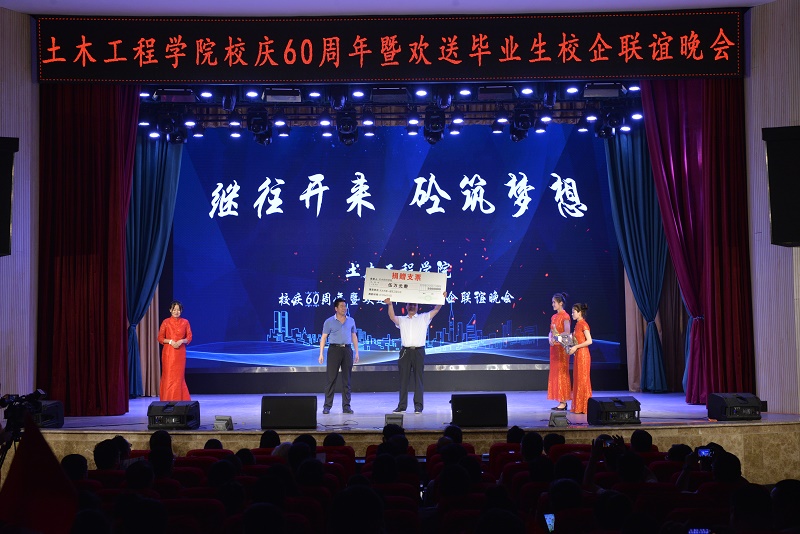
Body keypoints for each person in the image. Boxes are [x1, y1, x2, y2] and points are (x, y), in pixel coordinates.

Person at [383, 293, 445, 414]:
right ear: (406, 306)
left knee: (418, 380)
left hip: (419, 351)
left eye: (414, 305)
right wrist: (390, 304)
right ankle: (402, 406)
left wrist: (441, 298)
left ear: (418, 306)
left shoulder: (424, 317)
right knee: (403, 380)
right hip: (405, 352)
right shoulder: (402, 319)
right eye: (410, 304)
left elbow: (436, 309)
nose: (412, 307)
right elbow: (392, 317)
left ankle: (418, 406)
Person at [318, 298, 359, 415]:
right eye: (341, 306)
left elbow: (354, 336)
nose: (344, 308)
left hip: (347, 350)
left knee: (347, 380)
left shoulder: (351, 320)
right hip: (334, 350)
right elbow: (323, 337)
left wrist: (357, 352)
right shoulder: (329, 321)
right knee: (331, 379)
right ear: (336, 308)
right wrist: (321, 354)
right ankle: (327, 406)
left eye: (345, 306)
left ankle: (346, 406)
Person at [157, 300, 192, 401]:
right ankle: (167, 400)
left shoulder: (185, 322)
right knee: (168, 377)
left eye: (178, 310)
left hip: (180, 353)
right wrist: (171, 341)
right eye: (174, 309)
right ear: (170, 310)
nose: (176, 312)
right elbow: (160, 338)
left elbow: (189, 337)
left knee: (179, 377)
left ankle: (180, 400)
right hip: (168, 353)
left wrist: (182, 341)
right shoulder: (166, 322)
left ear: (181, 311)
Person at [547, 292, 571, 411]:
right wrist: (550, 338)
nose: (553, 304)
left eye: (554, 302)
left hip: (562, 348)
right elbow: (551, 331)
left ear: (561, 303)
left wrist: (556, 338)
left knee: (562, 373)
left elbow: (567, 332)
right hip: (554, 349)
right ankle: (560, 400)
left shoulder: (565, 316)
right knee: (556, 374)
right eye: (552, 302)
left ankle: (563, 401)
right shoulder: (553, 317)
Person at [567, 302, 592, 414]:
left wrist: (576, 347)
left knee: (583, 380)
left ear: (580, 312)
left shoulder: (583, 324)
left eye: (574, 312)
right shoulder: (577, 325)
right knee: (578, 380)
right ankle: (579, 406)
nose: (572, 314)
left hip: (583, 355)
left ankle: (585, 406)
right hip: (578, 355)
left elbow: (589, 341)